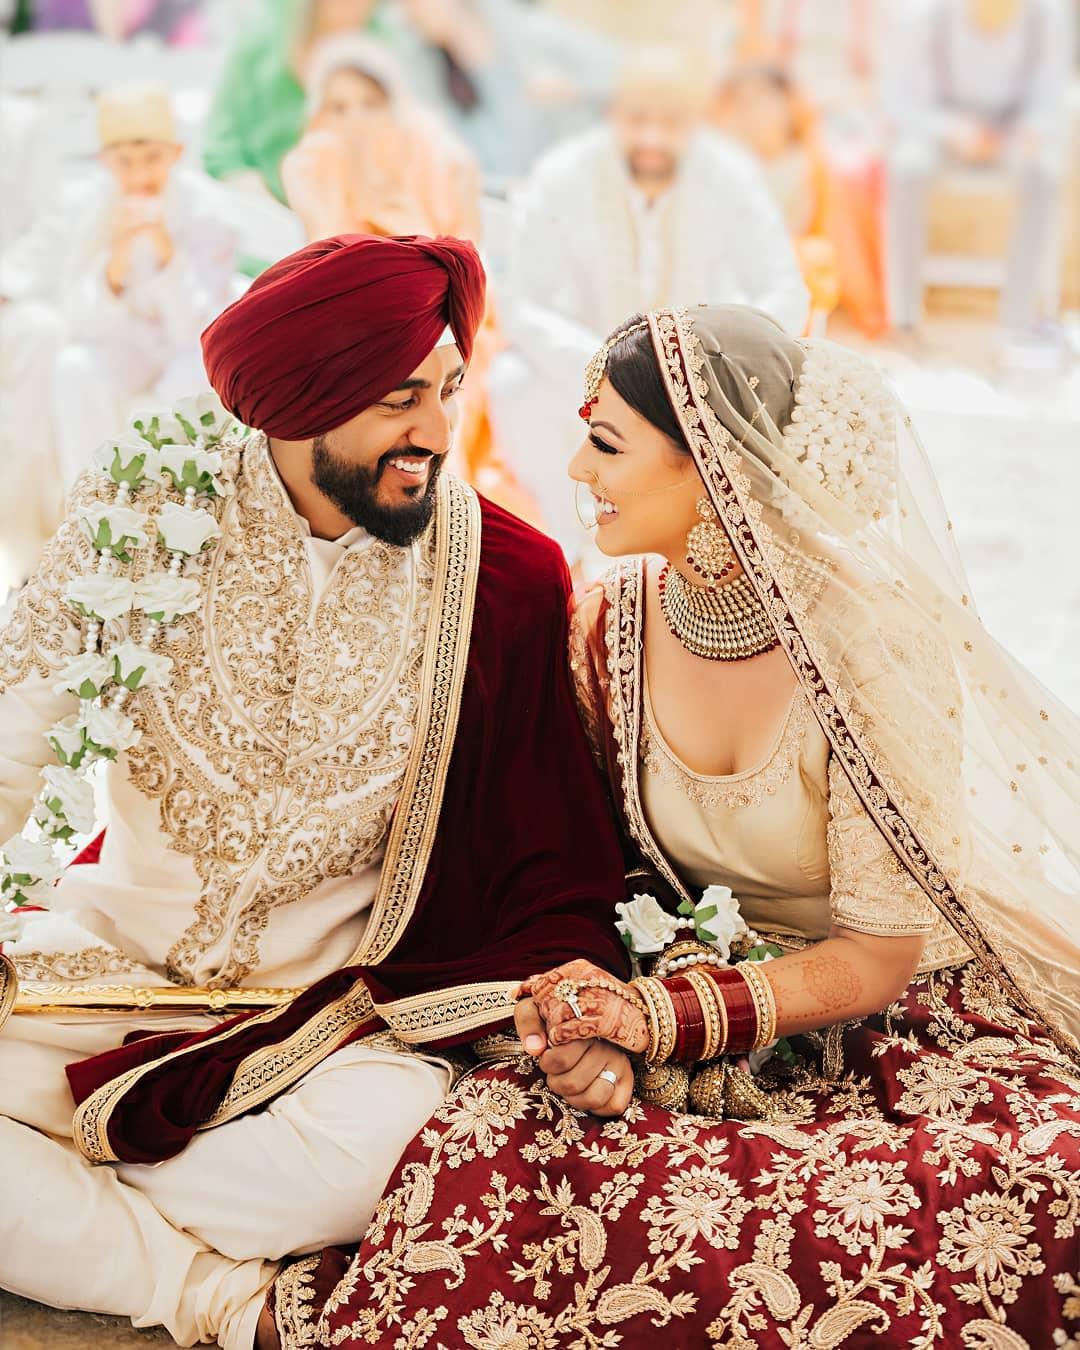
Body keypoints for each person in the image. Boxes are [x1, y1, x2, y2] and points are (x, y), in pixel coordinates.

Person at [261, 305, 1080, 1347]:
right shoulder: (612, 620)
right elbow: (595, 862)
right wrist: (592, 1018)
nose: (572, 466)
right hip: (695, 995)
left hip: (897, 1020)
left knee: (950, 1206)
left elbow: (876, 957)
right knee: (503, 1146)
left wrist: (657, 1020)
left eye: (605, 443)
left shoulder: (867, 647)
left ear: (718, 469)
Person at [0, 233, 629, 1349]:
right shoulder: (143, 510)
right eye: (399, 402)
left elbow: (551, 853)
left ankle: (78, 1221)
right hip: (100, 975)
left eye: (446, 391)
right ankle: (225, 1300)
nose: (436, 435)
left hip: (320, 1028)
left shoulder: (503, 577)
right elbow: (16, 734)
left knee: (380, 1158)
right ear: (297, 407)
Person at [488, 47, 808, 565]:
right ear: (614, 115)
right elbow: (522, 296)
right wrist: (605, 366)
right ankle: (570, 552)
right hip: (586, 364)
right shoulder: (564, 174)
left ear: (696, 122)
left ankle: (713, 554)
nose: (653, 138)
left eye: (671, 122)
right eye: (638, 119)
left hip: (704, 371)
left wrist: (717, 356)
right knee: (513, 383)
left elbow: (784, 288)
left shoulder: (731, 175)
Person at [0, 83, 237, 491]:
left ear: (176, 155)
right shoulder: (87, 204)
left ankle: (181, 510)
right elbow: (78, 310)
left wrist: (165, 251)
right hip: (123, 341)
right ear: (106, 161)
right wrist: (118, 260)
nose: (140, 174)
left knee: (194, 379)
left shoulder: (206, 207)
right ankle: (90, 501)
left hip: (189, 346)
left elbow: (204, 320)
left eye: (152, 159)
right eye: (125, 162)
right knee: (75, 366)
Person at [881, 0, 1073, 341]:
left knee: (1044, 173)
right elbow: (903, 100)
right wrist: (953, 130)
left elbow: (1051, 96)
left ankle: (1018, 319)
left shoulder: (1047, 15)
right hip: (942, 130)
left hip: (1015, 132)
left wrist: (1030, 129)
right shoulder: (926, 14)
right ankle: (905, 317)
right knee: (907, 168)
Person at [282, 34, 481, 242]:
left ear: (393, 106)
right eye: (338, 108)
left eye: (371, 104)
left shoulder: (446, 164)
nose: (356, 119)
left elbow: (466, 254)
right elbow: (324, 249)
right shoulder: (309, 167)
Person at [202, 0, 385, 202]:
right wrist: (265, 209)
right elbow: (221, 146)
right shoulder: (264, 34)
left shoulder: (386, 35)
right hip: (267, 205)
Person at [712, 62, 839, 333]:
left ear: (787, 106)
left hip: (778, 255)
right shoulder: (726, 162)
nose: (753, 112)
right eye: (742, 103)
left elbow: (800, 225)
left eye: (763, 100)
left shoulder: (802, 163)